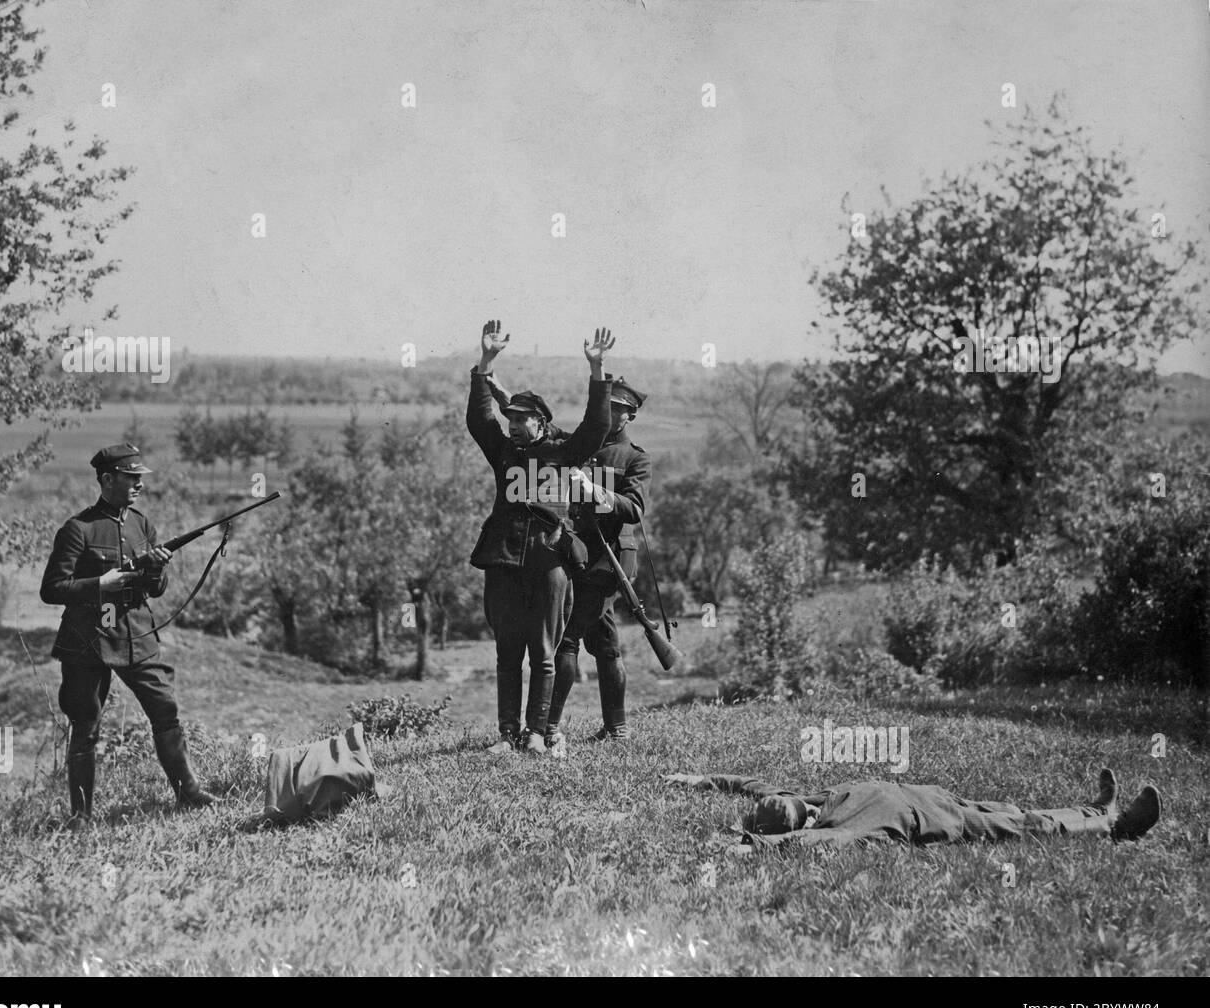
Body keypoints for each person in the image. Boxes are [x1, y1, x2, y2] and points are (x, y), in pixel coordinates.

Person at [40, 443, 220, 827]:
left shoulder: (141, 524)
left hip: (136, 634)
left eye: (140, 478)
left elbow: (156, 589)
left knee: (164, 709)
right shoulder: (79, 528)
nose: (138, 484)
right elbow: (52, 588)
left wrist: (156, 570)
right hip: (88, 639)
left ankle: (188, 792)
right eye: (130, 478)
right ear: (107, 480)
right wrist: (100, 583)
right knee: (85, 724)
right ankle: (81, 816)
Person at [467, 319, 614, 755]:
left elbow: (596, 426)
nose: (512, 425)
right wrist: (486, 362)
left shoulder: (564, 452)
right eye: (510, 418)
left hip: (549, 559)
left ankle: (535, 732)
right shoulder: (504, 452)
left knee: (544, 652)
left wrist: (597, 370)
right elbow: (479, 419)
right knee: (507, 652)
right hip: (504, 558)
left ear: (541, 423)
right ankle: (507, 735)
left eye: (521, 419)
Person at [486, 372, 651, 752]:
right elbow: (532, 424)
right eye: (607, 406)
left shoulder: (633, 458)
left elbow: (634, 509)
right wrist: (500, 391)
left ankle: (546, 728)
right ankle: (617, 727)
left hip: (607, 559)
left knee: (564, 641)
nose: (610, 414)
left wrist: (594, 490)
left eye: (619, 410)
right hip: (568, 553)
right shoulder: (573, 444)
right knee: (605, 642)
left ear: (630, 417)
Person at [664, 768, 1161, 848]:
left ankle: (1098, 808)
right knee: (1032, 824)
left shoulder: (808, 801)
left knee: (1018, 807)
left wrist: (701, 779)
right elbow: (812, 840)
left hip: (941, 797)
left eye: (797, 801)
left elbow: (756, 785)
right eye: (800, 810)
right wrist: (753, 844)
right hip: (949, 821)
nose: (806, 805)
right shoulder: (836, 826)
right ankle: (1117, 824)